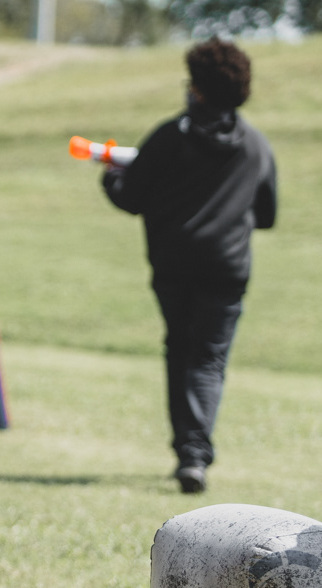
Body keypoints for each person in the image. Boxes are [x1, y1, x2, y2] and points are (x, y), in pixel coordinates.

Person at [101, 37, 277, 494]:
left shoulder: (169, 137)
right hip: (227, 268)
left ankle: (189, 453)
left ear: (197, 88)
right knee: (208, 359)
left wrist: (110, 177)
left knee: (180, 350)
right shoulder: (256, 147)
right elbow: (267, 214)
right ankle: (193, 455)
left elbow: (130, 197)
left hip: (173, 264)